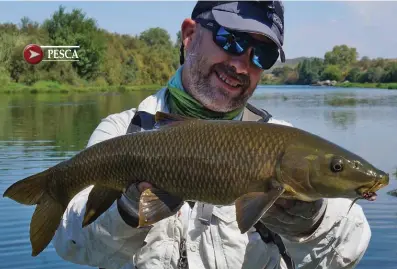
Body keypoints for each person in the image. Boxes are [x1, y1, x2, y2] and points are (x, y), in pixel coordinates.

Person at [52, 1, 371, 269]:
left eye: (262, 54)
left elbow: (350, 249)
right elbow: (71, 244)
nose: (242, 65)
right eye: (230, 39)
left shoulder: (287, 146)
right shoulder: (121, 132)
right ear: (190, 35)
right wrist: (125, 212)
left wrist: (312, 223)